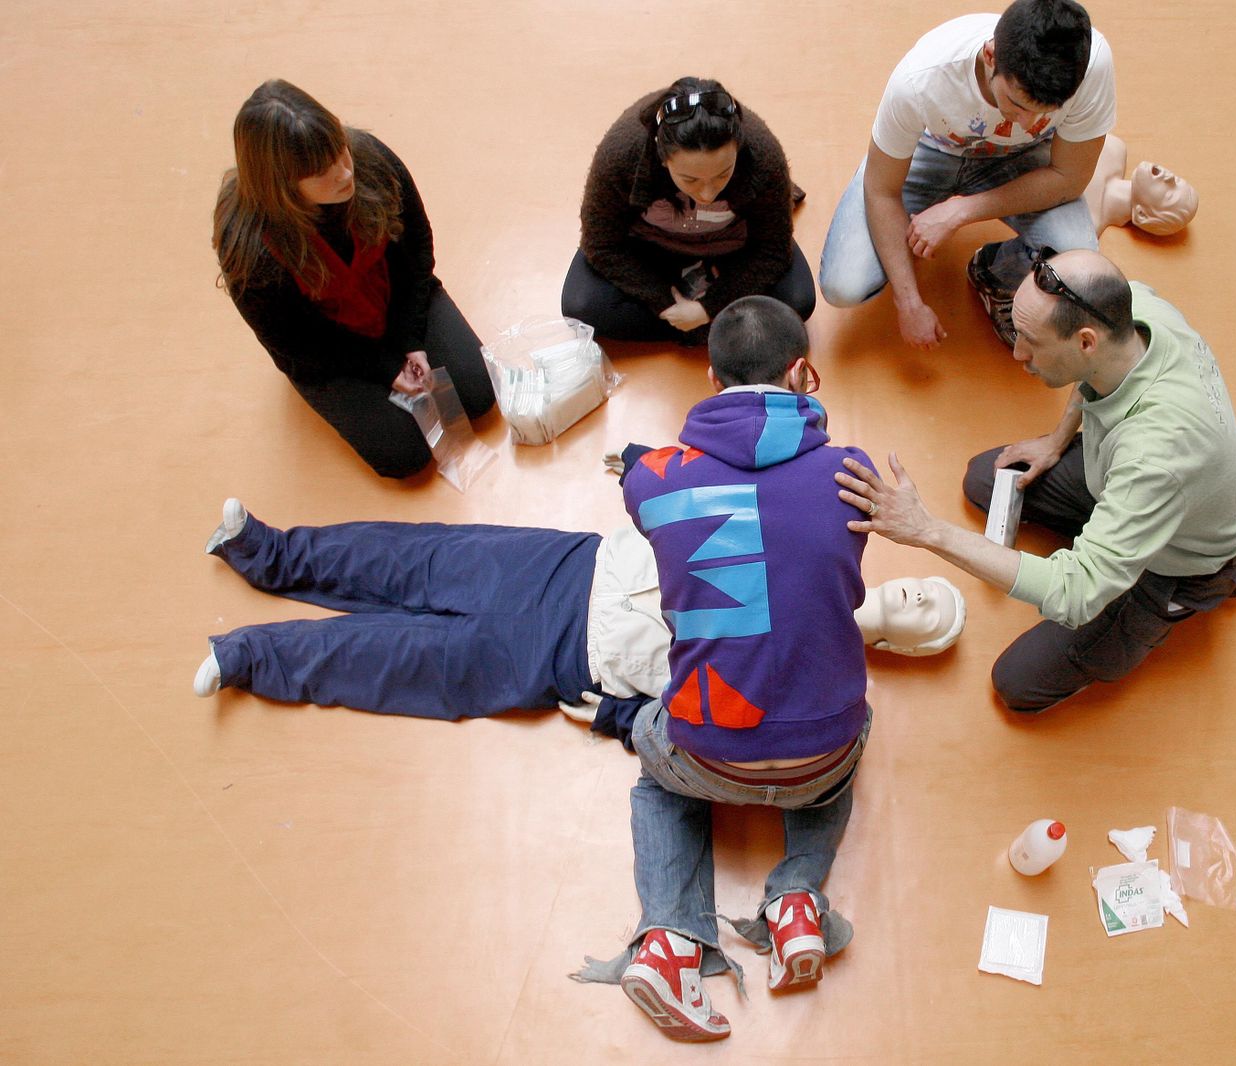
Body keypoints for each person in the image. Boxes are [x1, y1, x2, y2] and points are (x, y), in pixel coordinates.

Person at [574, 297, 874, 1042]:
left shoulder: (652, 481)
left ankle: (672, 941)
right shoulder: (851, 472)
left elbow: (660, 486)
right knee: (847, 739)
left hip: (711, 757)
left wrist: (652, 462)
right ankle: (796, 902)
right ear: (804, 373)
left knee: (656, 774)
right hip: (819, 755)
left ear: (710, 377)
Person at [835, 250, 1236, 712]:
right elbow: (1092, 378)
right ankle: (1106, 529)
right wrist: (1056, 442)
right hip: (1133, 482)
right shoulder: (1133, 311)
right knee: (988, 478)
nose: (1018, 353)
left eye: (1031, 342)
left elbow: (1075, 594)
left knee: (1017, 685)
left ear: (1084, 342)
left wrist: (927, 531)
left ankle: (1200, 593)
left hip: (1177, 562)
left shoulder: (1154, 459)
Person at [193, 500, 964, 740]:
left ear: (905, 648)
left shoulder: (818, 682)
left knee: (392, 657)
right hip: (576, 566)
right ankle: (263, 550)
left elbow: (720, 731)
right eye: (930, 589)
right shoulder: (816, 541)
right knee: (408, 560)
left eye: (929, 619)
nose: (920, 599)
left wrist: (622, 721)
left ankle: (248, 660)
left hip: (565, 653)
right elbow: (714, 500)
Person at [212, 80, 495, 478]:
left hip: (396, 303)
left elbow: (417, 249)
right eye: (322, 174)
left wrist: (411, 341)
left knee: (480, 393)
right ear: (283, 188)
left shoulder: (369, 159)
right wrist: (384, 368)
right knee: (405, 457)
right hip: (330, 351)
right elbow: (295, 345)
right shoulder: (249, 248)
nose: (346, 174)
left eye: (340, 152)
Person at [818, 0, 1115, 350]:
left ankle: (993, 272)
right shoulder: (920, 79)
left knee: (1077, 256)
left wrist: (960, 210)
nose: (1030, 124)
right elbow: (882, 190)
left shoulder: (1091, 63)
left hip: (1017, 159)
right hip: (931, 152)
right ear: (990, 56)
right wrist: (909, 303)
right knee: (844, 285)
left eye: (1047, 113)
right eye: (1017, 105)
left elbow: (1068, 178)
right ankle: (886, 155)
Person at [560, 78, 815, 347]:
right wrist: (667, 304)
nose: (707, 194)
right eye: (690, 180)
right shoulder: (621, 155)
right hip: (649, 249)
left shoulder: (763, 156)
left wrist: (708, 308)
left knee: (799, 301)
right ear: (662, 157)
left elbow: (772, 249)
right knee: (580, 306)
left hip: (732, 248)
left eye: (722, 175)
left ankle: (700, 324)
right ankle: (716, 330)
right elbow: (601, 245)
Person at [1083, 133, 1198, 237]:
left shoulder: (1085, 224)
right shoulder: (1114, 149)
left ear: (1142, 215)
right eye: (1177, 180)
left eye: (1169, 195)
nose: (1170, 178)